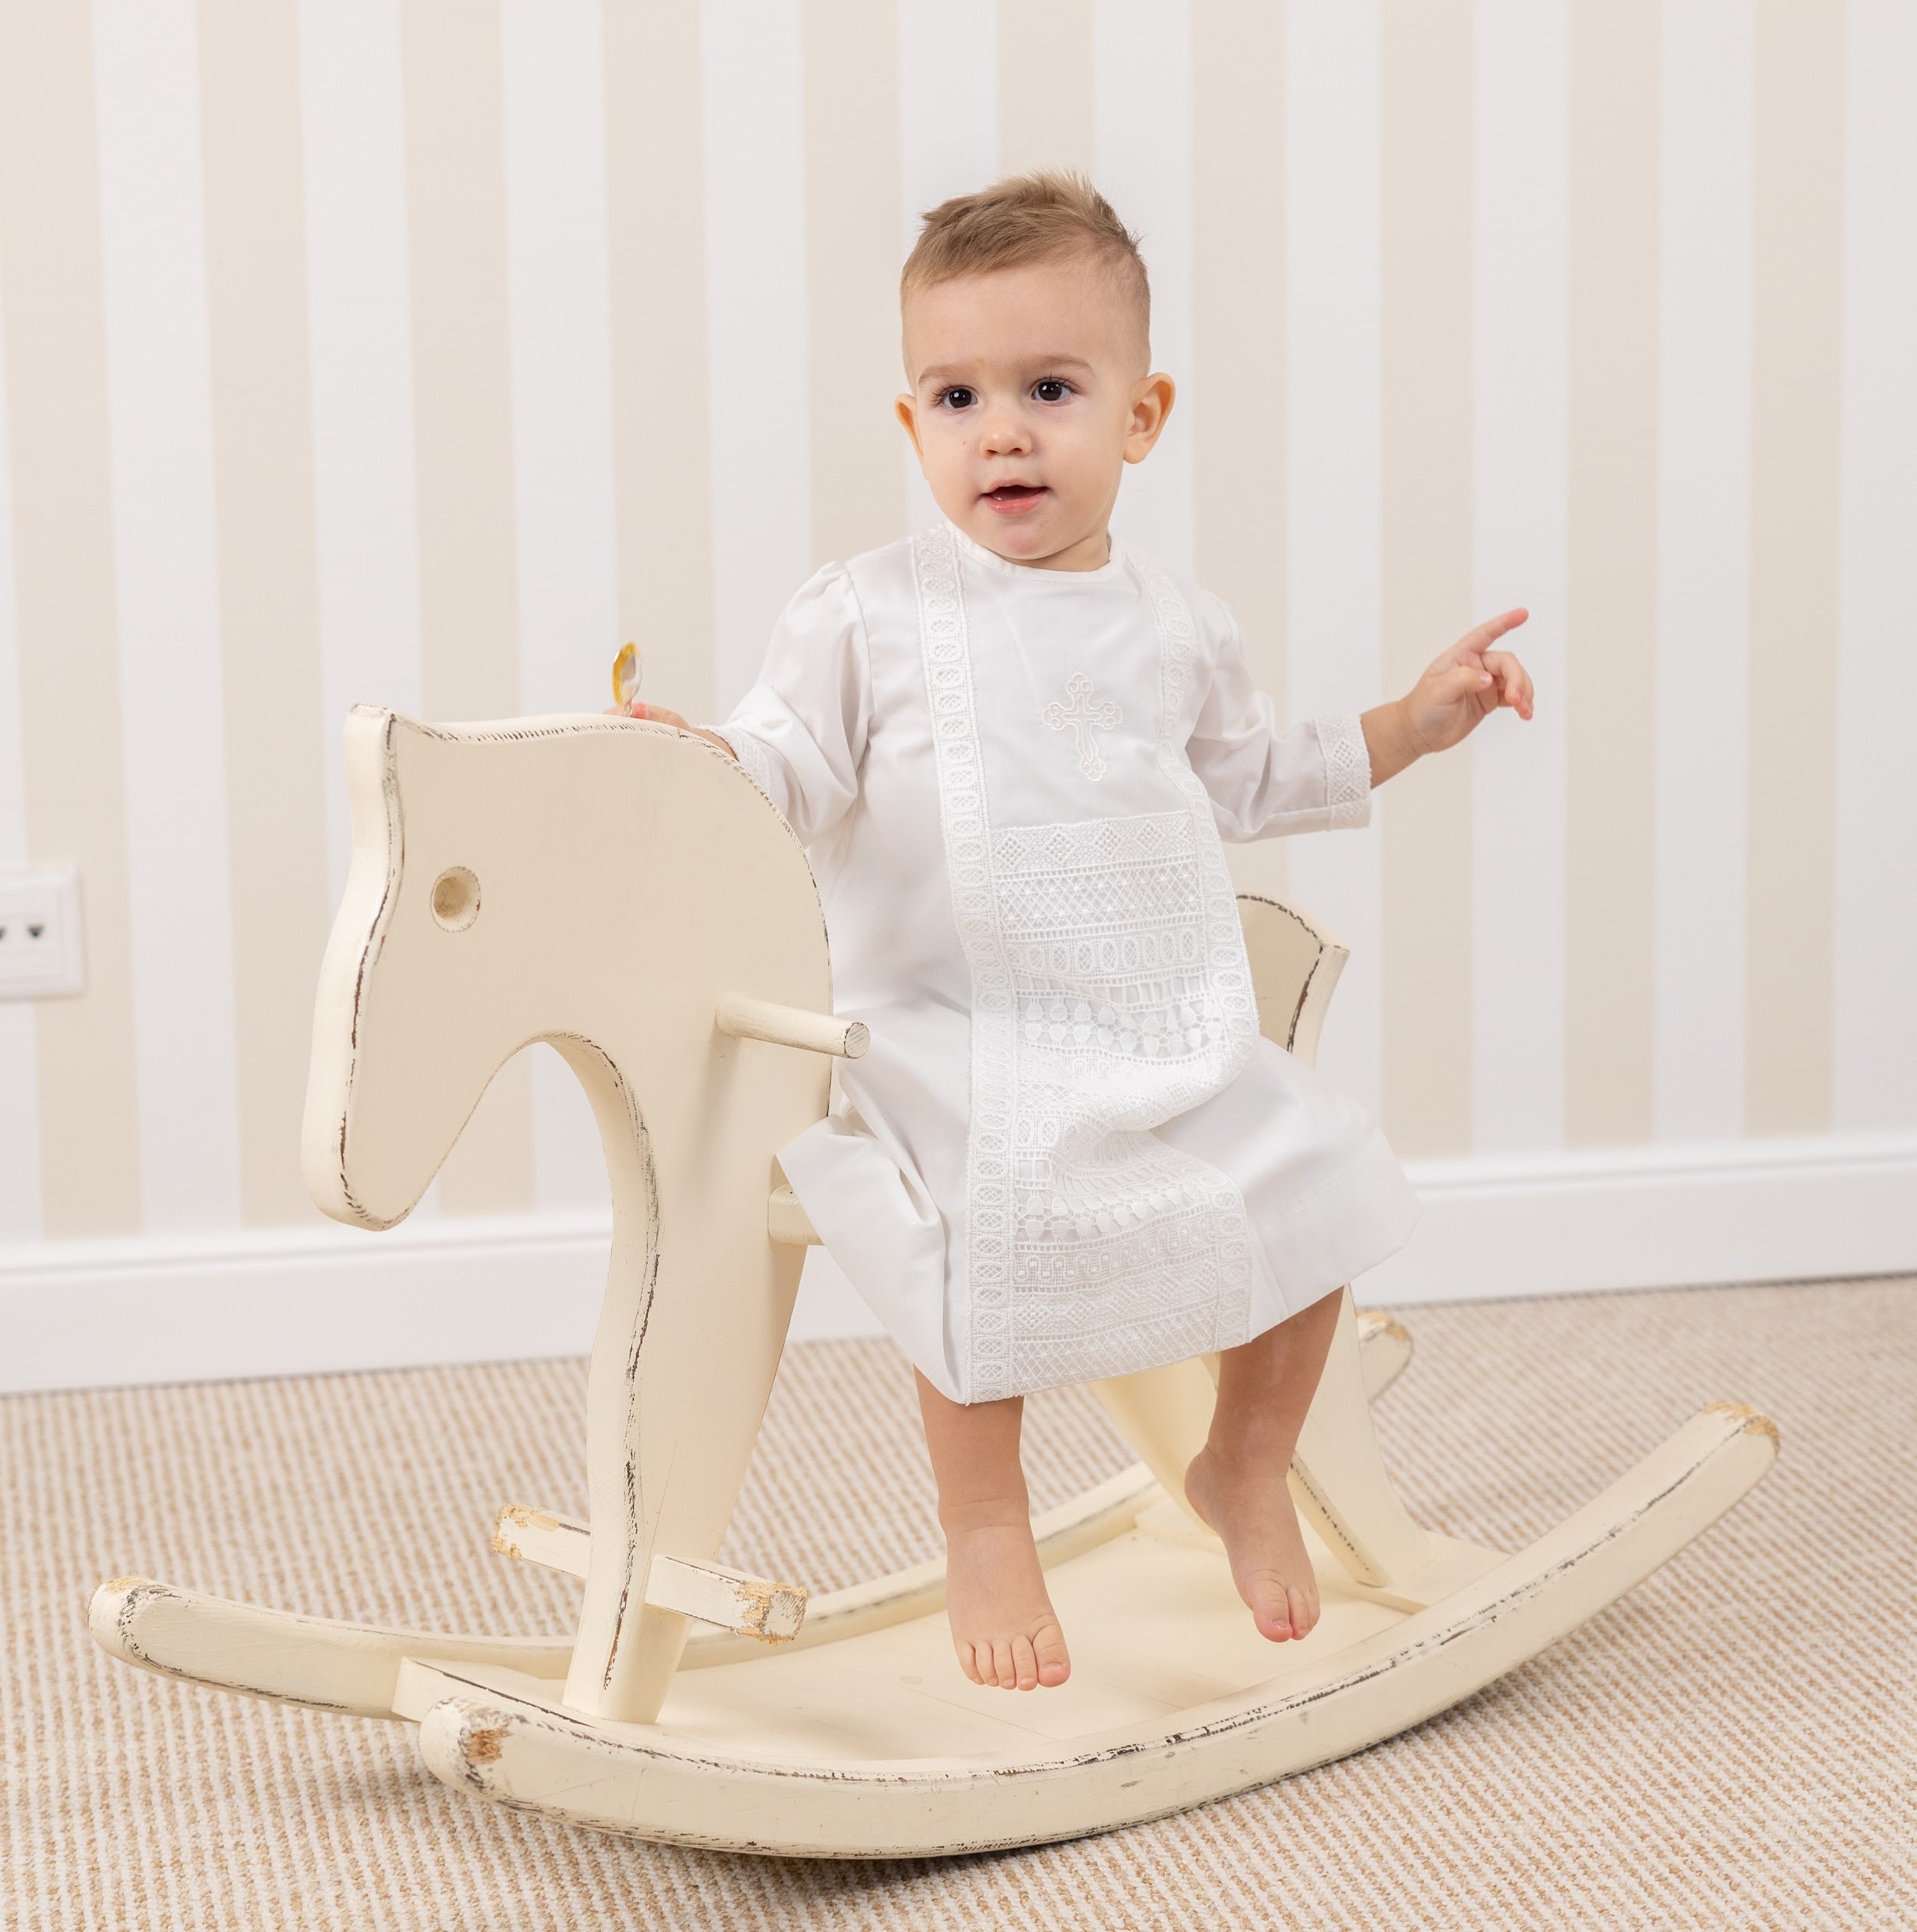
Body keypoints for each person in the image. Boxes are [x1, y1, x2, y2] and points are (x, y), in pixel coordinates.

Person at [616, 172, 1532, 1694]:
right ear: (911, 423)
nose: (1003, 434)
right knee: (980, 1221)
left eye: (1049, 390)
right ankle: (986, 1521)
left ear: (1140, 415)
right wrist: (705, 762)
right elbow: (785, 763)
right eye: (956, 397)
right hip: (946, 1033)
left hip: (1142, 1018)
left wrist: (1410, 724)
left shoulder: (1176, 626)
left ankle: (1246, 1458)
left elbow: (1252, 776)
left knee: (1323, 1174)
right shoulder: (866, 615)